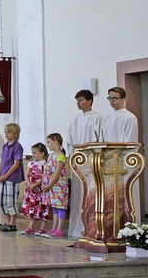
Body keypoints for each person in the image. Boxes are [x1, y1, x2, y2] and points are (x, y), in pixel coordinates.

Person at [66, 89, 103, 238]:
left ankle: (92, 228)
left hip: (91, 161)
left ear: (89, 101)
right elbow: (69, 138)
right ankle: (76, 229)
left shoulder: (97, 118)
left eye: (80, 100)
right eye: (77, 101)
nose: (78, 103)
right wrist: (71, 155)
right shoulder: (76, 119)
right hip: (78, 160)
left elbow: (101, 138)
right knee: (77, 195)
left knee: (90, 194)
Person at [0, 123, 24, 232]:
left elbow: (16, 164)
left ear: (15, 134)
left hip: (12, 177)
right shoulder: (5, 145)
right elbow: (2, 161)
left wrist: (5, 176)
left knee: (10, 200)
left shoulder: (17, 146)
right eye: (5, 131)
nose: (6, 134)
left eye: (8, 132)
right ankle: (7, 222)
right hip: (3, 175)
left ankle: (12, 223)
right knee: (2, 201)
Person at [41, 133, 69, 239]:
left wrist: (49, 185)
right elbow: (46, 172)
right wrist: (44, 183)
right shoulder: (51, 156)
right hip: (51, 186)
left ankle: (59, 229)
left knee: (60, 207)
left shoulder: (60, 156)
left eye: (49, 142)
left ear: (56, 141)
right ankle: (54, 227)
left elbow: (57, 174)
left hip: (59, 185)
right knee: (54, 207)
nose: (47, 145)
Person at [20, 143, 49, 235]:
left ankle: (42, 227)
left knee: (41, 206)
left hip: (39, 189)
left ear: (42, 153)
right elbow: (27, 174)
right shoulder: (31, 163)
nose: (33, 155)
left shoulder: (45, 164)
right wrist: (29, 184)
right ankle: (31, 226)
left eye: (35, 153)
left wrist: (35, 184)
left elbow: (44, 176)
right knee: (32, 207)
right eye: (32, 153)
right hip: (30, 189)